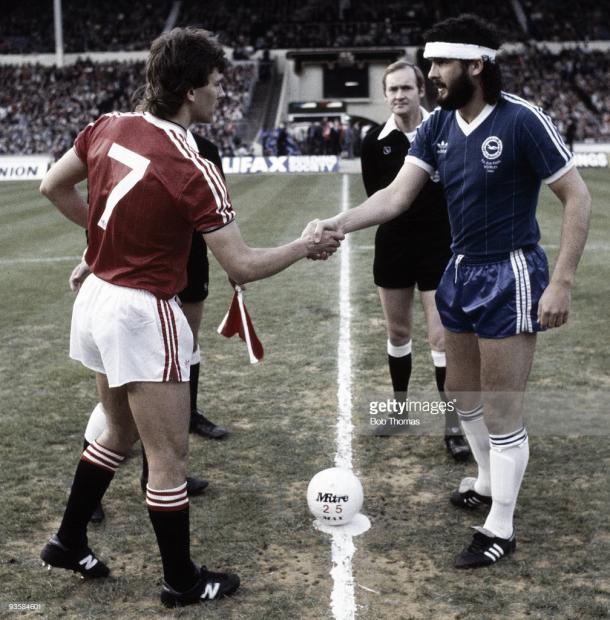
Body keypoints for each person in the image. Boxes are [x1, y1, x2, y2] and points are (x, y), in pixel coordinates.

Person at [39, 27, 341, 607]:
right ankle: (181, 580)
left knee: (119, 429)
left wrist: (106, 237)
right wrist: (306, 244)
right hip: (142, 311)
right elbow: (244, 265)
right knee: (169, 455)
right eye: (216, 82)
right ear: (190, 90)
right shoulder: (190, 163)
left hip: (98, 297)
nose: (221, 93)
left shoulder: (108, 125)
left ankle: (68, 538)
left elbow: (54, 185)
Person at [307, 14, 591, 568]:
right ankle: (486, 482)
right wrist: (336, 223)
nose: (432, 74)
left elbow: (576, 198)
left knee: (503, 408)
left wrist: (561, 282)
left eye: (440, 64)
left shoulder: (522, 120)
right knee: (462, 393)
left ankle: (501, 527)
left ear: (476, 66)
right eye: (431, 63)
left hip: (509, 273)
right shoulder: (437, 126)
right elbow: (394, 198)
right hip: (457, 271)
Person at [71, 133, 228, 525]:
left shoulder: (205, 150)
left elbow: (217, 221)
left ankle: (156, 474)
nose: (220, 92)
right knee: (130, 382)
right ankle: (106, 478)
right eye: (213, 83)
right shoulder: (134, 138)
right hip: (142, 279)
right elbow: (114, 211)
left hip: (189, 266)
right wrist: (93, 256)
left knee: (183, 357)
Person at [360, 60, 470, 460]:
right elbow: (379, 199)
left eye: (407, 88)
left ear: (421, 90)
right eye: (393, 90)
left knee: (442, 339)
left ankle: (452, 426)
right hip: (393, 247)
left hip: (440, 248)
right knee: (398, 334)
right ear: (385, 95)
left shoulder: (444, 128)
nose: (400, 96)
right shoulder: (374, 142)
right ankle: (401, 407)